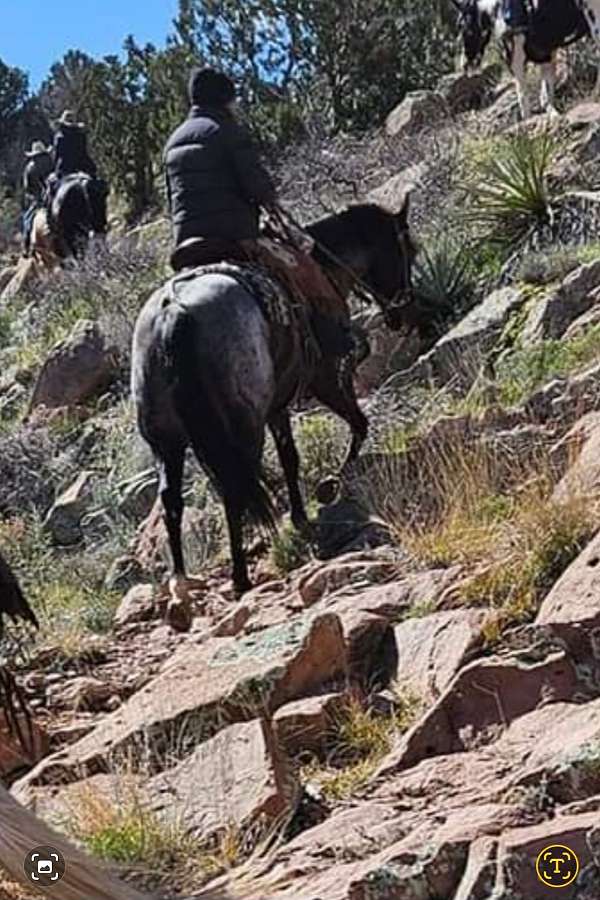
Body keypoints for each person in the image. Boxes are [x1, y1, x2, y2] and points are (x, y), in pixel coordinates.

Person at [163, 67, 352, 356]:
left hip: (186, 243)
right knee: (308, 273)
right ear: (224, 99)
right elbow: (257, 187)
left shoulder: (172, 142)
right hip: (235, 236)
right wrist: (269, 202)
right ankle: (335, 348)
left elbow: (174, 199)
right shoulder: (227, 130)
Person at [21, 141, 53, 256]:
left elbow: (28, 188)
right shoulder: (51, 163)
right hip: (53, 194)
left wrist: (34, 196)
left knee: (27, 219)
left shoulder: (30, 168)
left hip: (39, 199)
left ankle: (26, 246)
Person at [52, 110, 98, 180]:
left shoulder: (59, 137)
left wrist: (55, 168)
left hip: (65, 168)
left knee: (53, 184)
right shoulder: (81, 136)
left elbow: (57, 155)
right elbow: (84, 152)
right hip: (83, 165)